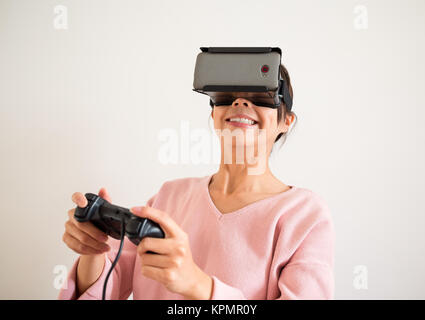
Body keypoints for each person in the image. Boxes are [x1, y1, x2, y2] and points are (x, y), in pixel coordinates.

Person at [58, 64, 334, 300]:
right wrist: (93, 250)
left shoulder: (305, 215)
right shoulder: (169, 196)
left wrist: (197, 285)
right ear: (213, 113)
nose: (240, 103)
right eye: (227, 96)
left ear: (286, 120)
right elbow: (110, 283)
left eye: (261, 96)